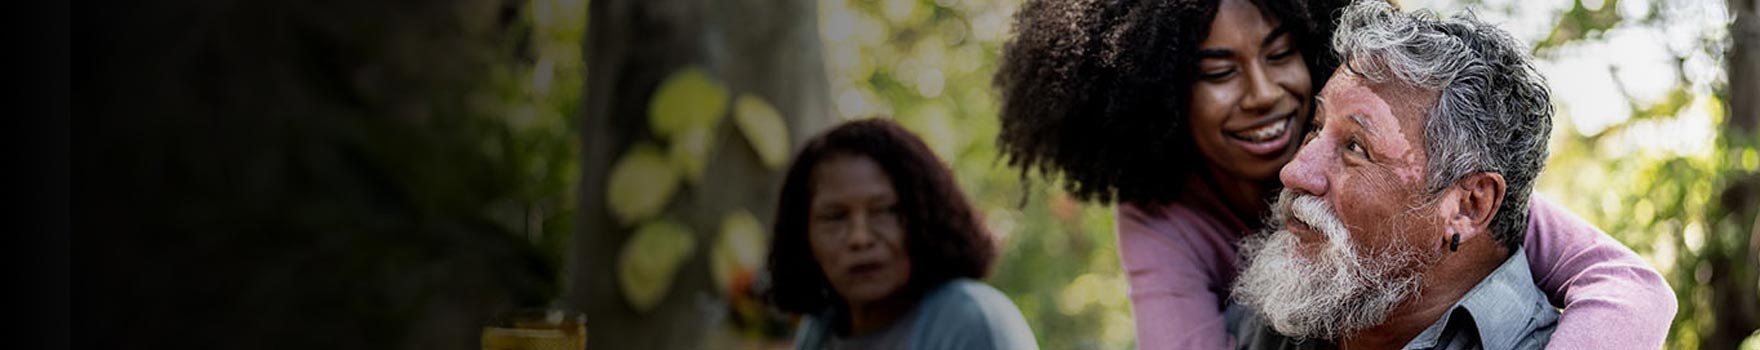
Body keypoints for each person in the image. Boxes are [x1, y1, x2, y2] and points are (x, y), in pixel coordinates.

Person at [992, 0, 1676, 348]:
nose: (1264, 96)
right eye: (1219, 73)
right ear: (1160, 94)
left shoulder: (1439, 176)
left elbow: (1628, 281)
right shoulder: (1160, 212)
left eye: (1282, 53)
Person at [1234, 2, 1580, 348]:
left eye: (1356, 147)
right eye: (1316, 126)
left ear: (1468, 207)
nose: (1294, 171)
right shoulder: (1287, 304)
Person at [764, 119, 1039, 350]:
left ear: (925, 216)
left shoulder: (972, 320)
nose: (860, 238)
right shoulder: (821, 328)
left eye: (884, 211)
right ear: (802, 233)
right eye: (835, 217)